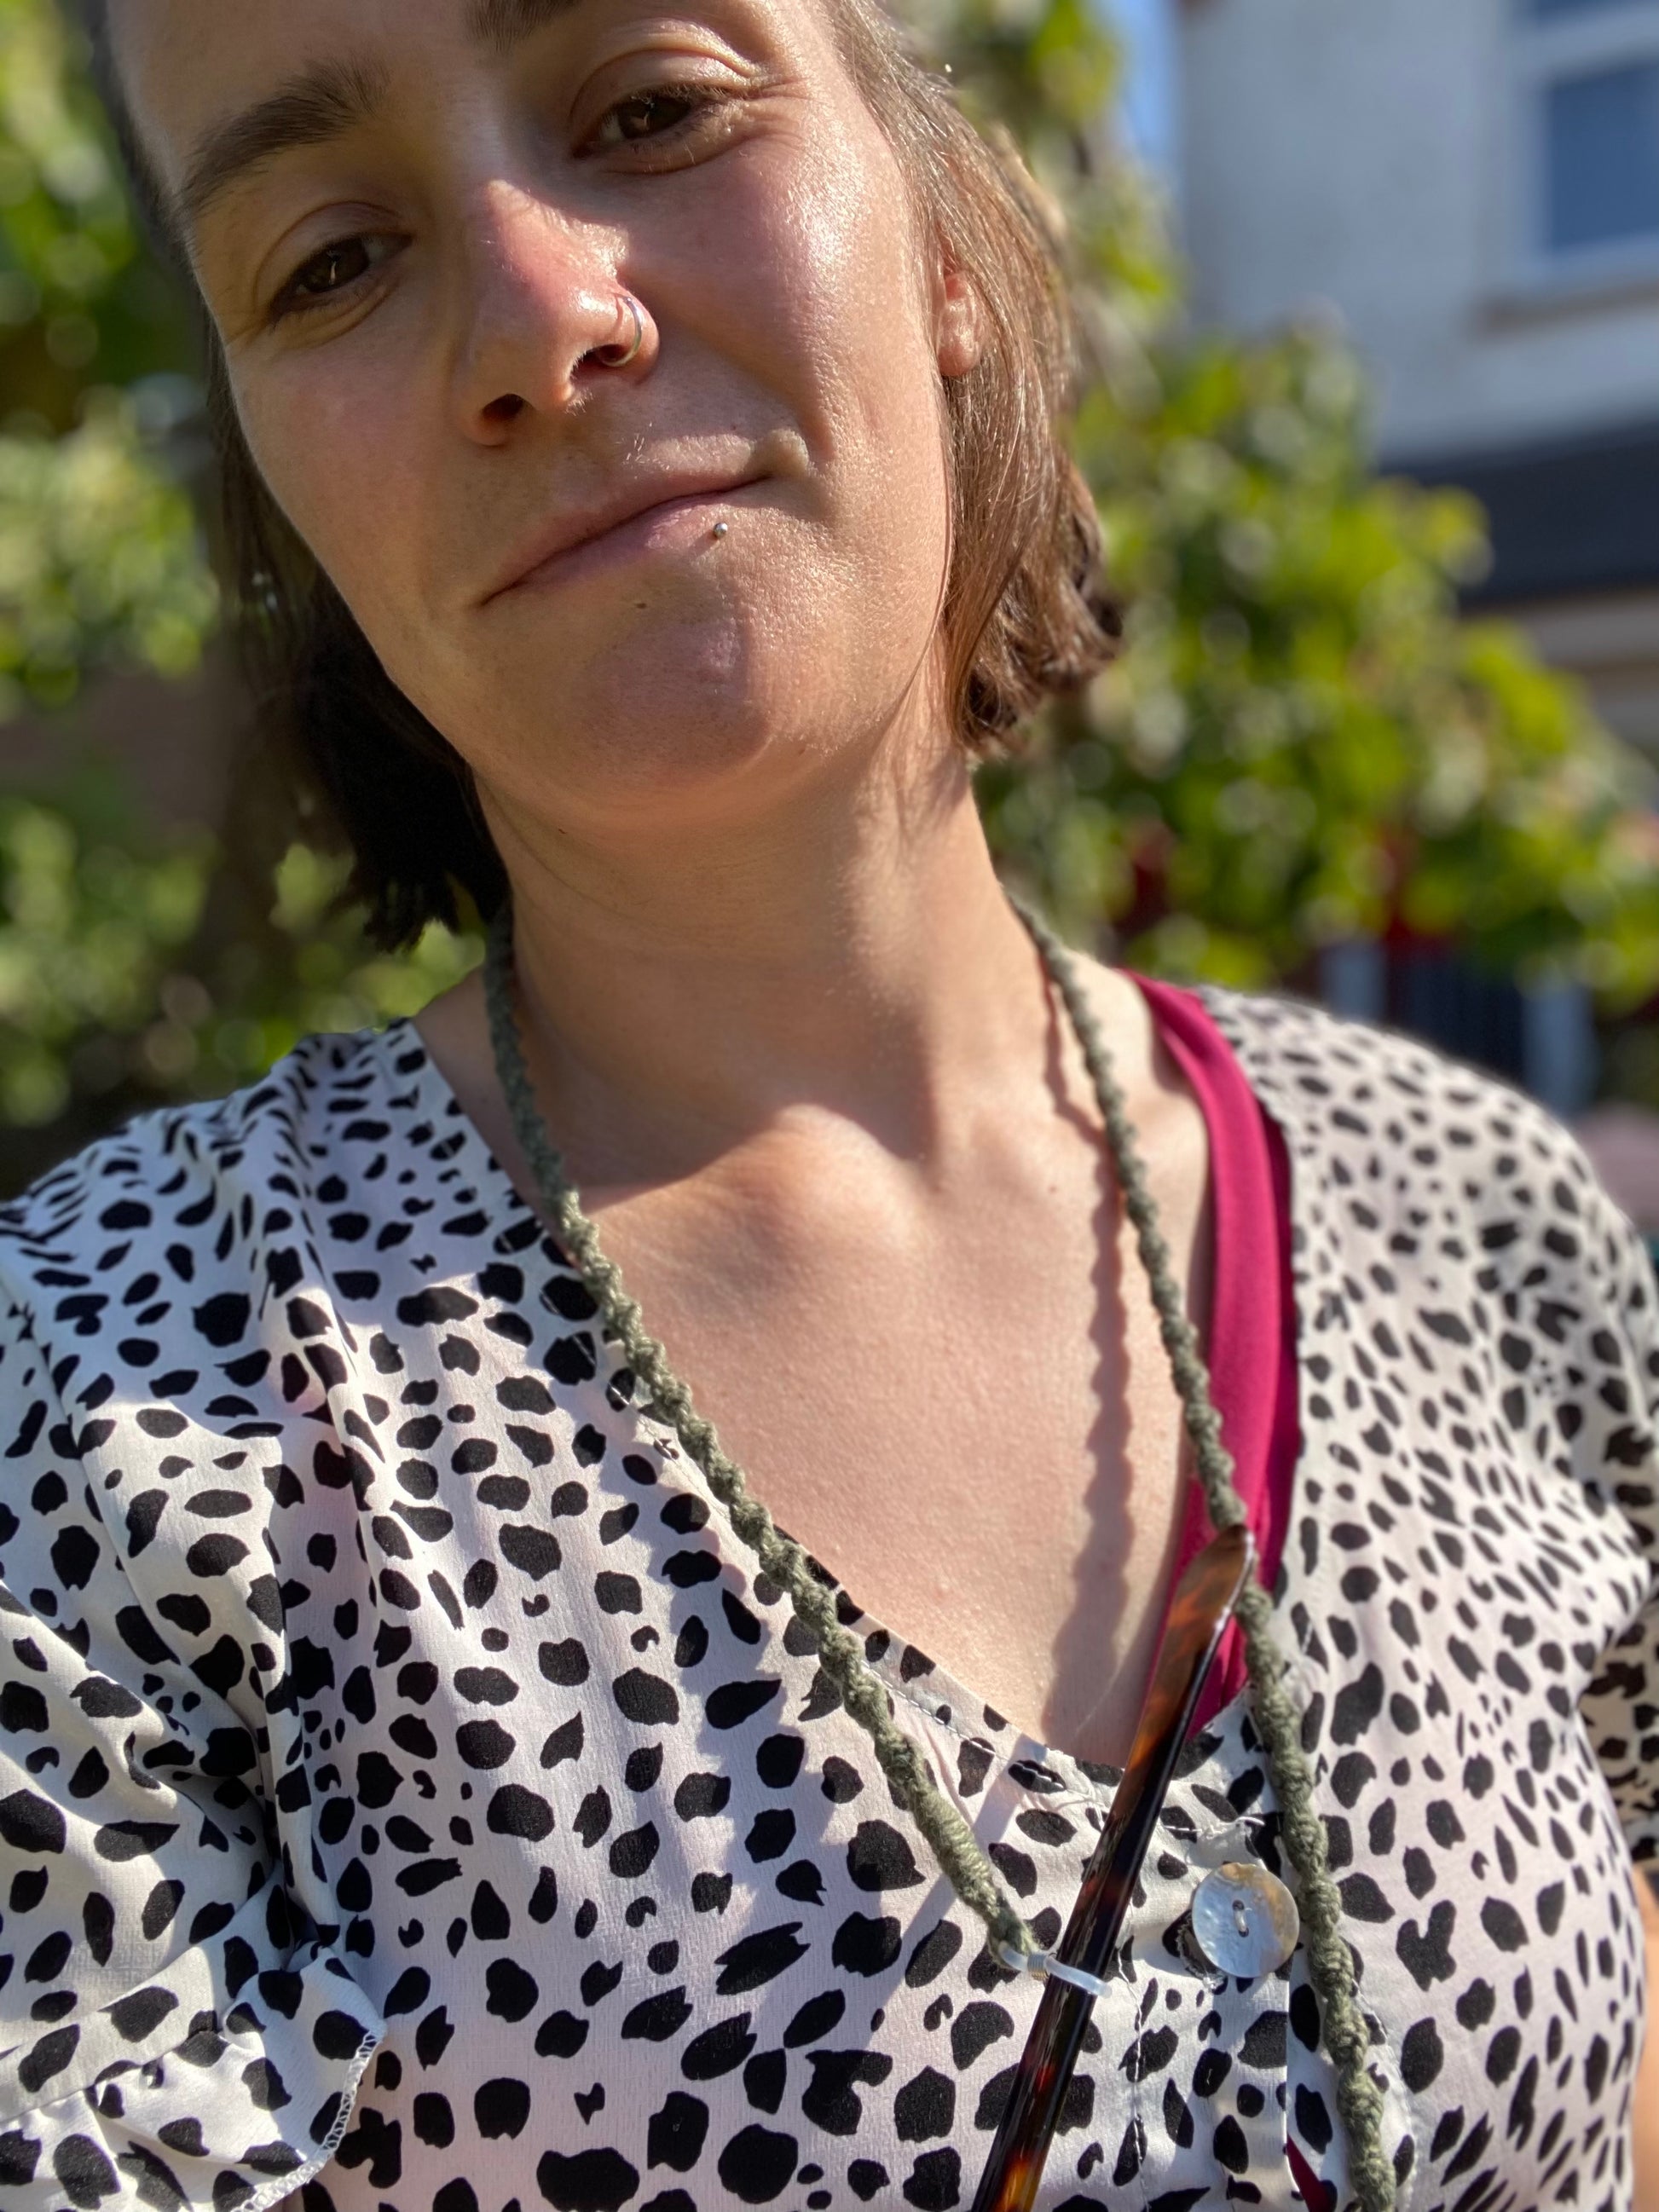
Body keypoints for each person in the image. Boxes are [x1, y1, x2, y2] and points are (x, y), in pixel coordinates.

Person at [3, 2, 1657, 2206]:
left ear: (947, 243)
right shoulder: (97, 1410)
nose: (538, 321)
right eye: (332, 259)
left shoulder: (1473, 1210)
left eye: (651, 107)